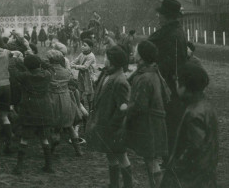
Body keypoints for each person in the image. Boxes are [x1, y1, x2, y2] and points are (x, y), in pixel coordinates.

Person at [160, 61, 218, 188]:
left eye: (177, 82)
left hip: (191, 178)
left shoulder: (194, 114)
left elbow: (194, 147)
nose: (175, 85)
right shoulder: (206, 106)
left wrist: (176, 167)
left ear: (185, 86)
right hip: (206, 172)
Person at [126, 41, 171, 188]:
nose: (134, 52)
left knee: (151, 160)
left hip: (149, 124)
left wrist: (125, 108)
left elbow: (140, 105)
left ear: (142, 56)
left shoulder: (145, 77)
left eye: (136, 50)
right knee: (149, 159)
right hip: (153, 121)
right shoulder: (151, 72)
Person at [86, 45, 132, 188]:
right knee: (111, 155)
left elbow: (123, 108)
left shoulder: (120, 80)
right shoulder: (107, 75)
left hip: (115, 127)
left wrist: (113, 125)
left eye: (106, 57)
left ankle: (128, 185)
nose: (104, 59)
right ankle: (114, 184)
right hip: (106, 125)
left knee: (121, 156)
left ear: (113, 60)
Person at [147, 0, 188, 152]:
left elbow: (170, 64)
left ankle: (171, 159)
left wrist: (152, 68)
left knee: (170, 122)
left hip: (169, 86)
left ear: (168, 16)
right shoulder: (175, 31)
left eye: (161, 14)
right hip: (172, 84)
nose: (158, 16)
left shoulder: (171, 34)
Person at [9, 53, 53, 176]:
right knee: (44, 138)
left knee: (25, 138)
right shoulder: (47, 75)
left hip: (28, 110)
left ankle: (19, 167)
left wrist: (13, 59)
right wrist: (41, 61)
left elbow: (13, 71)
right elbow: (50, 67)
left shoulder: (25, 76)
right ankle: (48, 165)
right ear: (39, 64)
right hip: (44, 109)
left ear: (26, 66)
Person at [70, 40, 96, 112]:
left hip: (89, 76)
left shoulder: (91, 56)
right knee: (80, 90)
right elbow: (76, 60)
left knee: (89, 92)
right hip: (82, 75)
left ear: (90, 47)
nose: (82, 46)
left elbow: (85, 67)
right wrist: (72, 63)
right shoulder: (82, 54)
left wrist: (75, 66)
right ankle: (81, 107)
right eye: (82, 45)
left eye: (85, 45)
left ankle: (91, 109)